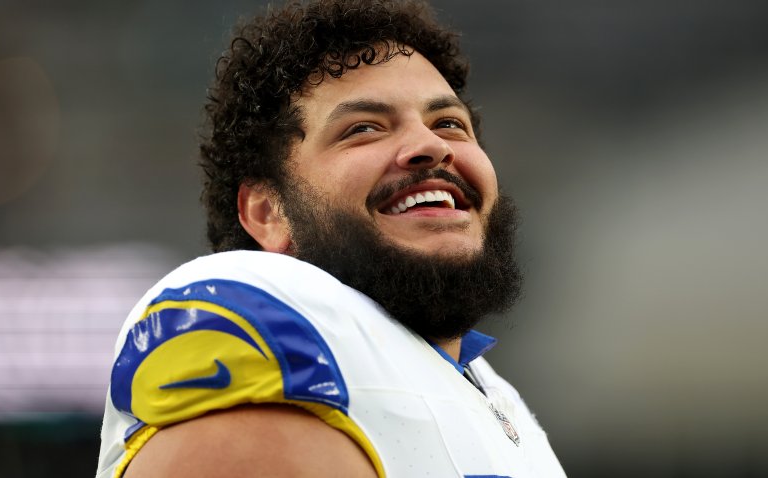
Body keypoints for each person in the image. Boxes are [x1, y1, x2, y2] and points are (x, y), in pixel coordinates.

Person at [96, 0, 566, 476]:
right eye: (363, 128)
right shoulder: (263, 319)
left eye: (448, 123)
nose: (432, 146)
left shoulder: (492, 391)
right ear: (267, 212)